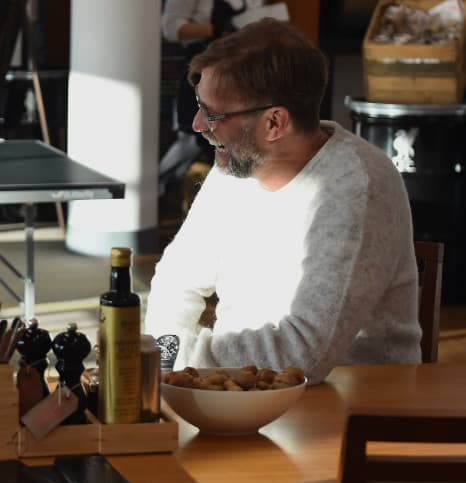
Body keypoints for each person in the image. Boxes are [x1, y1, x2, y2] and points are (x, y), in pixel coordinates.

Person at [144, 18, 421, 385]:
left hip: (351, 409)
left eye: (213, 114)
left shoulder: (355, 186)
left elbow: (304, 353)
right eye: (200, 105)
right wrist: (165, 363)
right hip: (242, 395)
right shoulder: (235, 167)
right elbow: (177, 279)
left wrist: (189, 362)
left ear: (274, 123)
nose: (197, 124)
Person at [159, 0, 266, 217]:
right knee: (192, 137)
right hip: (201, 65)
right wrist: (218, 29)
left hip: (242, 68)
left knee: (239, 136)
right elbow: (170, 27)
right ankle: (158, 192)